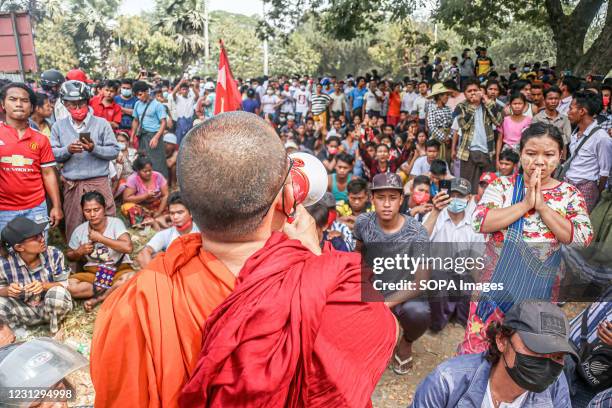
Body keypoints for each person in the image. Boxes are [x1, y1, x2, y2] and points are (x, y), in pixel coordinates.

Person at [91, 112, 396, 407]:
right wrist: (315, 265)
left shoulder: (135, 302)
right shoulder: (335, 284)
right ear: (288, 198)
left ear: (189, 202)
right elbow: (386, 331)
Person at [458, 123, 593, 355]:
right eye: (531, 153)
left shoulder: (569, 195)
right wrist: (524, 205)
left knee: (523, 353)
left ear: (561, 155)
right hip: (494, 288)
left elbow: (581, 237)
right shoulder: (502, 186)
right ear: (521, 153)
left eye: (549, 154)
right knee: (479, 349)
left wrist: (542, 208)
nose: (539, 161)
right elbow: (480, 222)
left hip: (539, 290)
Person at [412, 301, 575, 407]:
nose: (546, 365)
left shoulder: (556, 386)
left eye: (557, 356)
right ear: (502, 341)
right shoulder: (447, 381)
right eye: (536, 348)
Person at [353, 172, 428, 375]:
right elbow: (358, 254)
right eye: (381, 198)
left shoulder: (417, 231)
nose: (387, 204)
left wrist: (384, 305)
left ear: (401, 200)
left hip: (403, 292)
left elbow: (420, 282)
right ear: (372, 199)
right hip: (373, 287)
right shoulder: (363, 223)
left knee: (419, 313)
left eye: (392, 198)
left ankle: (406, 341)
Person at [51, 80, 118, 239]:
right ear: (64, 104)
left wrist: (94, 148)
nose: (76, 108)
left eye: (80, 103)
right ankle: (77, 260)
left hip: (98, 182)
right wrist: (67, 150)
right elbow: (52, 154)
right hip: (73, 184)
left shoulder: (101, 124)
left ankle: (110, 258)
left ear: (87, 101)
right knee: (74, 224)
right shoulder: (58, 127)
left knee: (106, 223)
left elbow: (114, 151)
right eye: (71, 104)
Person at [0, 83, 63, 234]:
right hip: (4, 210)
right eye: (13, 99)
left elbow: (48, 174)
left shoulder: (41, 139)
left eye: (25, 100)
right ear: (2, 104)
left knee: (38, 251)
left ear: (32, 106)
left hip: (37, 207)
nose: (19, 104)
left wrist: (56, 205)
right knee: (7, 256)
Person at [0, 217, 72, 334]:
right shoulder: (4, 263)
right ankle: (20, 334)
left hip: (50, 309)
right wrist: (7, 291)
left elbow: (65, 284)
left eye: (41, 234)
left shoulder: (54, 254)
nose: (42, 239)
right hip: (24, 312)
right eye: (35, 238)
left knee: (58, 293)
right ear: (19, 247)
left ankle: (54, 329)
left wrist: (44, 286)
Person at [66, 191, 134, 312]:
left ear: (104, 208)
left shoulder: (115, 223)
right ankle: (112, 289)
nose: (92, 214)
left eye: (96, 210)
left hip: (118, 270)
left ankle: (99, 298)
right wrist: (79, 252)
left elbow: (128, 247)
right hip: (94, 274)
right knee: (70, 286)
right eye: (87, 211)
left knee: (131, 278)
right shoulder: (79, 230)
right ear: (82, 211)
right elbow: (69, 256)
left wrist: (101, 239)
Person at [452, 77, 503, 194]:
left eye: (475, 90)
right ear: (464, 94)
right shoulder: (461, 107)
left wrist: (485, 99)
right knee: (468, 187)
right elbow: (463, 125)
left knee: (487, 186)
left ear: (480, 90)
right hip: (467, 153)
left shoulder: (488, 105)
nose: (473, 93)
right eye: (469, 91)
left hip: (487, 152)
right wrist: (473, 107)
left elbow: (498, 121)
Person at [565, 91, 612, 212]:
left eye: (571, 108)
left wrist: (595, 193)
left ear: (582, 111)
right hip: (567, 184)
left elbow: (604, 172)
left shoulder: (601, 138)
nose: (568, 112)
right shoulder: (575, 132)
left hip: (586, 189)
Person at [136, 193, 199, 269]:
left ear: (191, 213)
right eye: (172, 213)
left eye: (180, 212)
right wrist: (153, 275)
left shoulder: (203, 231)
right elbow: (143, 254)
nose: (175, 217)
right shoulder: (166, 234)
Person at [130, 80, 168, 178]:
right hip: (142, 136)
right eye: (137, 95)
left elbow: (164, 122)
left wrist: (156, 138)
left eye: (140, 94)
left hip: (154, 135)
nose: (139, 97)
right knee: (143, 161)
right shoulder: (137, 104)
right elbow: (135, 120)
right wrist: (132, 136)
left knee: (157, 161)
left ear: (147, 91)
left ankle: (161, 184)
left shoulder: (157, 105)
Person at [121, 154, 169, 230]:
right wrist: (145, 196)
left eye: (150, 170)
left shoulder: (158, 176)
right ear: (138, 171)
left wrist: (159, 211)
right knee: (126, 207)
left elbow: (165, 195)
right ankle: (154, 221)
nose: (148, 173)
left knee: (174, 200)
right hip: (142, 207)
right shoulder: (133, 179)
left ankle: (159, 217)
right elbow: (126, 199)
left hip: (158, 205)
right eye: (145, 171)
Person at [533, 86, 572, 157]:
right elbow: (534, 137)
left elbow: (568, 138)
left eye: (556, 98)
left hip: (560, 155)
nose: (553, 101)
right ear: (544, 99)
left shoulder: (564, 119)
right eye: (550, 99)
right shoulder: (537, 118)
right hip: (541, 154)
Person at [496, 92, 532, 161]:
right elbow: (499, 140)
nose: (517, 106)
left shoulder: (529, 120)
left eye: (520, 104)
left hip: (523, 152)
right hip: (506, 152)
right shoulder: (504, 120)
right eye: (515, 104)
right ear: (510, 105)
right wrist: (497, 158)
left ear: (524, 105)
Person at [426, 83, 453, 162]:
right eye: (446, 95)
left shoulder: (448, 109)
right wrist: (444, 138)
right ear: (439, 96)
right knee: (438, 159)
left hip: (448, 137)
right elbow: (432, 126)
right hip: (437, 139)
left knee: (447, 159)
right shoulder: (432, 109)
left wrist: (449, 137)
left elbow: (452, 124)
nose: (447, 97)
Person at [171, 79, 198, 145]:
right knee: (179, 140)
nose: (185, 91)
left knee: (189, 140)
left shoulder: (191, 99)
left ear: (188, 90)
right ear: (180, 91)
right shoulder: (178, 98)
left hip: (189, 121)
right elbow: (173, 93)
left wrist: (192, 86)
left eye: (186, 89)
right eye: (183, 89)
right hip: (181, 121)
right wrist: (180, 83)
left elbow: (197, 95)